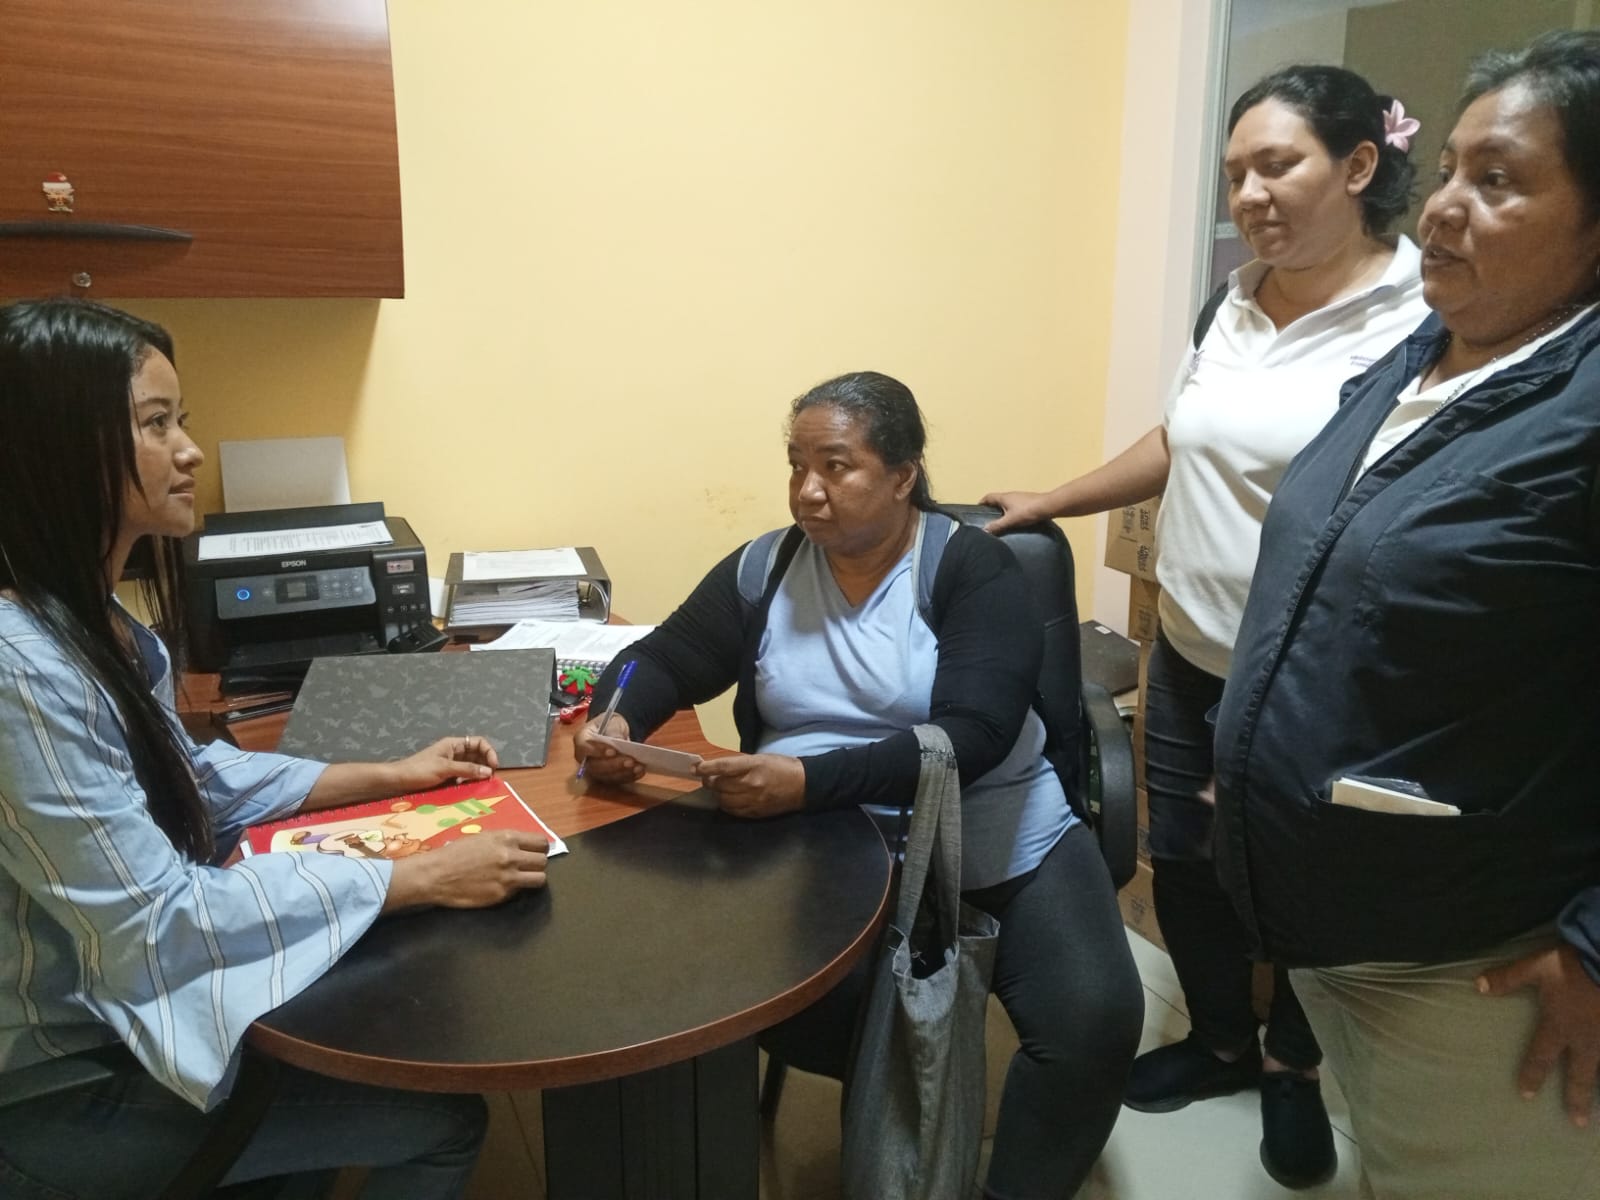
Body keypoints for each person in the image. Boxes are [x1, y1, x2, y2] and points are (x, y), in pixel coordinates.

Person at [982, 64, 1431, 1188]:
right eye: (1235, 173)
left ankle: (1291, 1067)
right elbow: (1182, 436)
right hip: (1189, 648)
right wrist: (1054, 499)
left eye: (1277, 165)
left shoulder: (1422, 313)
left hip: (1318, 678)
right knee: (1183, 862)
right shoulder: (1233, 298)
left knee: (1309, 882)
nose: (1249, 194)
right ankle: (1222, 1039)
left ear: (1359, 165)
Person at [0, 299, 551, 1199]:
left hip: (128, 1021)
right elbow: (157, 925)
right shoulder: (19, 670)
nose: (190, 452)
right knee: (445, 1122)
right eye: (156, 423)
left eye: (180, 419)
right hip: (65, 1083)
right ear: (60, 445)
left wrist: (392, 773)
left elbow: (196, 775)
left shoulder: (100, 626)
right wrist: (413, 877)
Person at [575, 370, 1144, 1200]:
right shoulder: (765, 567)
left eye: (836, 467)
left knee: (1095, 1021)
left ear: (903, 474)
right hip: (829, 849)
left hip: (995, 827)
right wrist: (616, 718)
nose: (808, 490)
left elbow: (973, 737)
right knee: (808, 1012)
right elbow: (656, 657)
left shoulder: (973, 570)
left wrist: (808, 781)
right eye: (797, 466)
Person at [1213, 30, 1600, 1200]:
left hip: (1478, 966)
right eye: (1447, 172)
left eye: (1499, 180)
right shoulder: (1429, 351)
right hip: (1343, 934)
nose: (1441, 210)